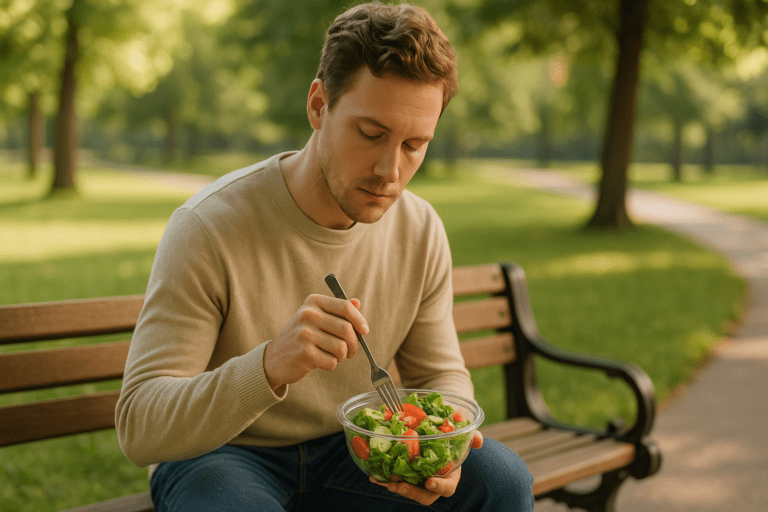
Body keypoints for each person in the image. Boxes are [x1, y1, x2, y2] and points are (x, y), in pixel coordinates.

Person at [116, 2, 534, 510]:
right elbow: (140, 426)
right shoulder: (208, 226)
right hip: (221, 453)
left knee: (501, 480)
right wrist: (269, 365)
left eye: (414, 144)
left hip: (354, 449)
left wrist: (442, 452)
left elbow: (439, 378)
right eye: (371, 134)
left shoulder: (420, 228)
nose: (390, 170)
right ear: (318, 105)